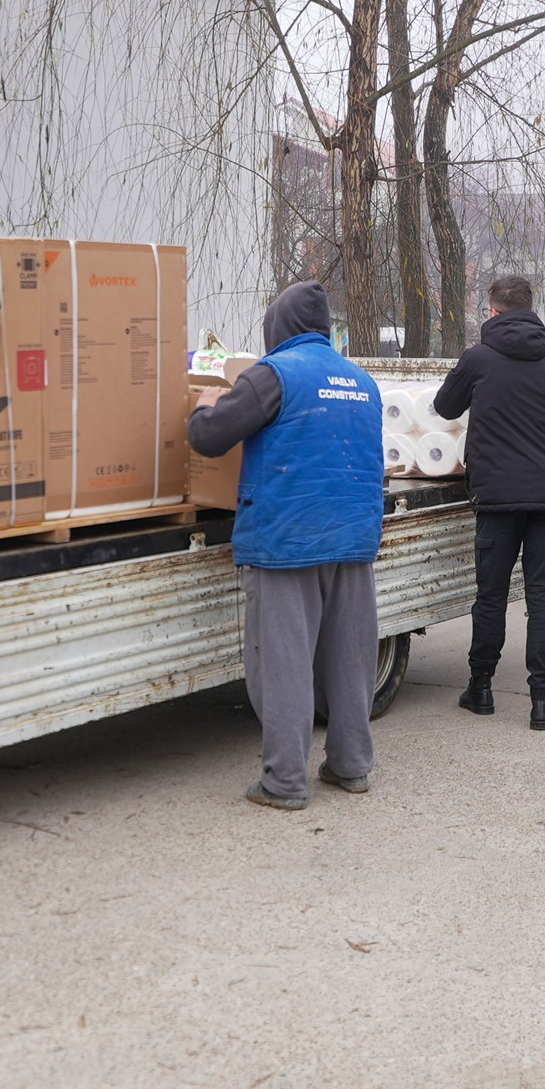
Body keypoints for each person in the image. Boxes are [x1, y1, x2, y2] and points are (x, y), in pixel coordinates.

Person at [188, 281, 385, 809]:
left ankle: (284, 782)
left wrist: (206, 405)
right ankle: (350, 766)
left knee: (284, 665)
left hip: (287, 539)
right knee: (349, 661)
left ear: (277, 326)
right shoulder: (362, 380)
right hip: (354, 538)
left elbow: (210, 437)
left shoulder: (273, 374)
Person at [434, 274, 545, 730]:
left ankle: (481, 688)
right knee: (542, 597)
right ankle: (543, 700)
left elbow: (445, 407)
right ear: (530, 309)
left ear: (494, 311)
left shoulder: (477, 359)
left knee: (491, 596)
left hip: (496, 496)